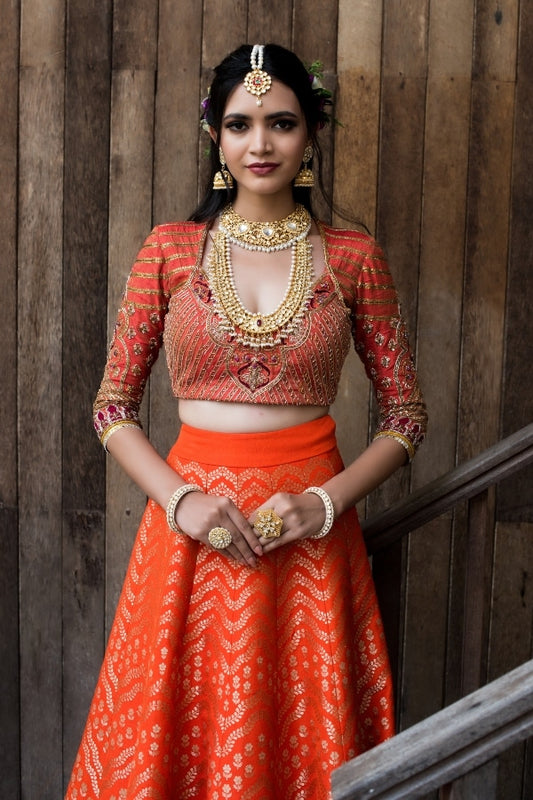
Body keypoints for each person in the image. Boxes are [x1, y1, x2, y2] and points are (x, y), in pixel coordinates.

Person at [65, 43, 427, 800]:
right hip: (190, 534)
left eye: (280, 122)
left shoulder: (353, 257)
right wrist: (184, 501)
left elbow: (403, 415)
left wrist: (324, 503)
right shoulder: (169, 251)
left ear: (311, 134)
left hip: (308, 539)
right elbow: (111, 406)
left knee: (298, 748)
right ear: (216, 138)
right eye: (239, 124)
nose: (259, 144)